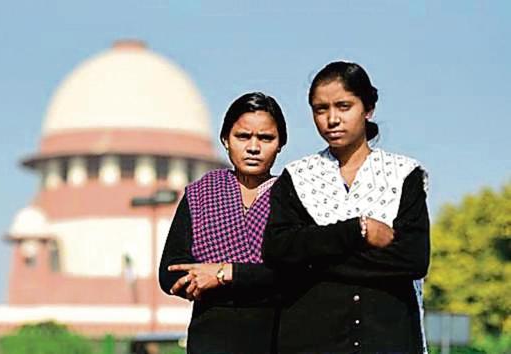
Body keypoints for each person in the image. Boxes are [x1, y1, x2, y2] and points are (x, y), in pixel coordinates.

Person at [262, 61, 430, 353]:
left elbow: (413, 259)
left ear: (368, 109)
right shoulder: (299, 177)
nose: (331, 119)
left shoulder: (403, 175)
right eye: (320, 109)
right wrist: (356, 231)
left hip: (386, 339)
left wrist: (314, 261)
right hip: (311, 340)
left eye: (343, 106)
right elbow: (279, 250)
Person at [159, 92, 287, 354]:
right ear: (225, 140)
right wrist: (254, 275)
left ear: (280, 144)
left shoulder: (291, 196)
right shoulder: (201, 195)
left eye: (266, 138)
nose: (253, 147)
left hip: (275, 337)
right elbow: (169, 271)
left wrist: (222, 274)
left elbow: (297, 271)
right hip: (211, 338)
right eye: (243, 137)